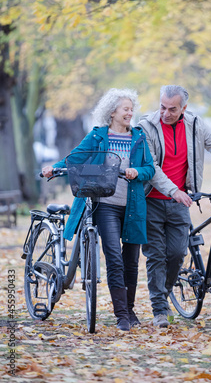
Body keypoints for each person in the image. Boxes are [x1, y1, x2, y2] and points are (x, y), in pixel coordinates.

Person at [138, 85, 211, 328]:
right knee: (156, 255)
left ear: (183, 108)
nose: (165, 113)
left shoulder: (195, 125)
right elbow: (152, 168)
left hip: (181, 201)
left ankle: (164, 294)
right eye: (162, 107)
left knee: (178, 253)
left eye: (172, 109)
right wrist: (174, 191)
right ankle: (160, 309)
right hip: (151, 201)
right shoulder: (146, 127)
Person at [42, 88, 155, 331]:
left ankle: (131, 309)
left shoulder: (138, 137)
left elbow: (149, 168)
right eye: (125, 108)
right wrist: (54, 167)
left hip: (133, 206)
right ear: (112, 111)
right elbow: (75, 158)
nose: (130, 113)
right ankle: (121, 315)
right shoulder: (97, 137)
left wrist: (138, 172)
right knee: (114, 257)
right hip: (106, 205)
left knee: (131, 261)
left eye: (131, 109)